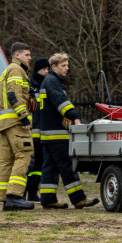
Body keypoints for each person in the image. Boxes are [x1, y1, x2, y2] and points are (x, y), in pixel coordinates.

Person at [37, 52, 98, 209]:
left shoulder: (47, 81)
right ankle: (78, 198)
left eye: (68, 65)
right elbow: (61, 102)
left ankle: (48, 199)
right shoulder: (52, 81)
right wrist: (75, 116)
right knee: (67, 165)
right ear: (54, 66)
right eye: (63, 66)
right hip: (56, 133)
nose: (67, 68)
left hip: (47, 133)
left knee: (49, 167)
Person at [0, 42, 35, 211]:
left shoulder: (7, 70)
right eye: (27, 55)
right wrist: (24, 117)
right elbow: (14, 94)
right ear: (17, 55)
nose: (30, 58)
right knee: (24, 155)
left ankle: (6, 198)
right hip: (16, 122)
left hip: (5, 123)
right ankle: (15, 196)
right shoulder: (16, 69)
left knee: (7, 161)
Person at [25, 57, 50, 203]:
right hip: (31, 128)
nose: (46, 72)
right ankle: (23, 192)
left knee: (39, 164)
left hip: (43, 129)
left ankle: (33, 192)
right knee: (31, 163)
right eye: (43, 69)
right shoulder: (31, 84)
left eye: (47, 69)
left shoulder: (47, 84)